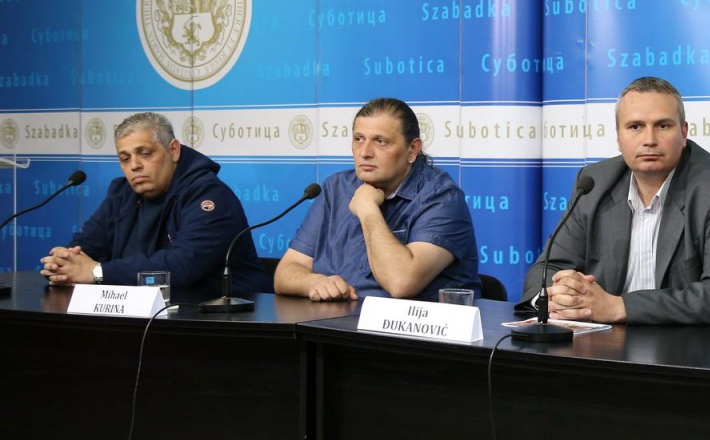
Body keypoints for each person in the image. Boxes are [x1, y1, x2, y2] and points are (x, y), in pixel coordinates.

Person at [519, 76, 710, 327]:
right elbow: (546, 268)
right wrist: (558, 296)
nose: (649, 140)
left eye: (663, 126)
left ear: (684, 133)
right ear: (618, 137)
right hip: (619, 344)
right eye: (635, 127)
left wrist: (618, 307)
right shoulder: (594, 183)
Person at [39, 112, 269, 296]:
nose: (134, 165)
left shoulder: (208, 195)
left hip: (225, 321)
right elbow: (87, 243)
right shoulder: (121, 193)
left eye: (145, 154)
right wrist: (64, 263)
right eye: (125, 158)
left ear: (173, 150)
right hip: (150, 317)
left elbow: (183, 266)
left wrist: (97, 272)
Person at [274, 97, 480, 302]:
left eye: (380, 141)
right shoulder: (336, 189)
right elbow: (285, 273)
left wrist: (367, 209)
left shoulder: (442, 199)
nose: (365, 153)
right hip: (335, 319)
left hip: (405, 323)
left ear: (412, 149)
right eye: (359, 139)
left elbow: (401, 283)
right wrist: (314, 282)